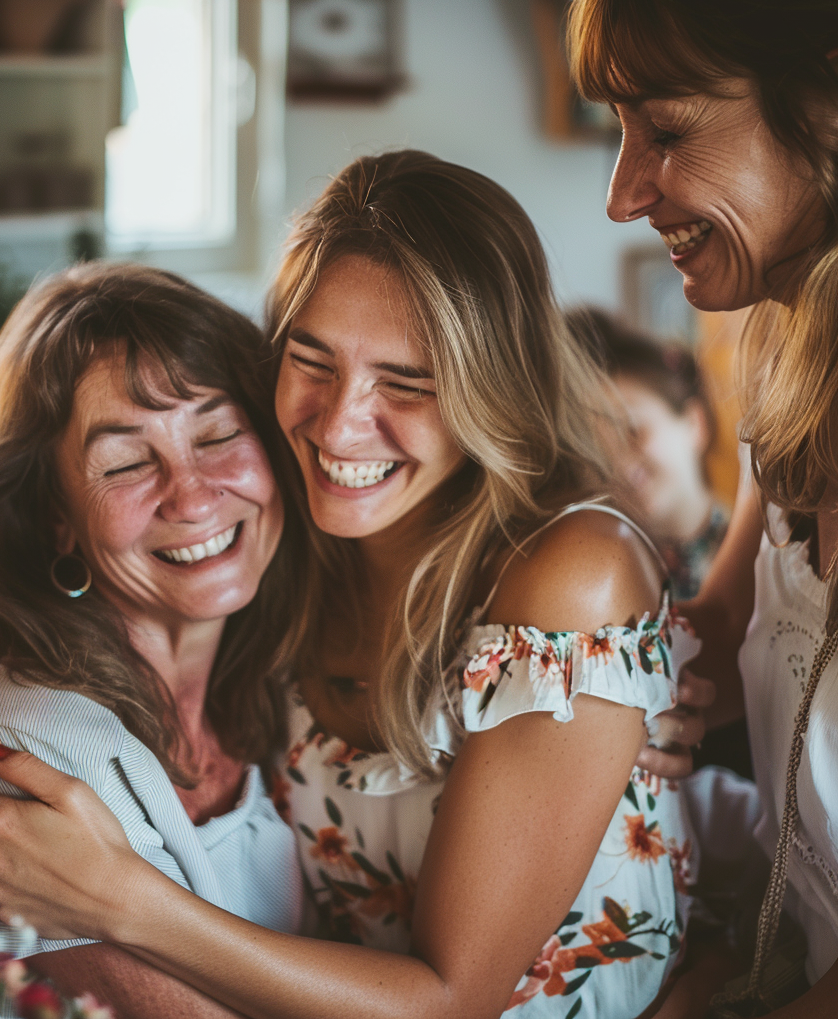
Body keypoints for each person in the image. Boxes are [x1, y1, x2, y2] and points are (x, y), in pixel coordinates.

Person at [0, 151, 717, 1018]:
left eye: (406, 381)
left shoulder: (572, 573)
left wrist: (121, 899)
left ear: (490, 390)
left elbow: (451, 1000)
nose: (340, 424)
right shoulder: (291, 559)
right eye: (312, 360)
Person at [565, 0, 838, 1013]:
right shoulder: (789, 361)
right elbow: (724, 628)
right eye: (620, 133)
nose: (623, 193)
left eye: (667, 130)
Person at [0, 263, 304, 1018]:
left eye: (218, 432)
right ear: (58, 515)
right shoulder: (30, 755)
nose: (194, 494)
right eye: (128, 462)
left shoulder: (284, 685)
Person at [566, 308, 727, 603]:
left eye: (632, 430)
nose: (617, 464)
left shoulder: (770, 553)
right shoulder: (595, 582)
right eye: (593, 448)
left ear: (695, 423)